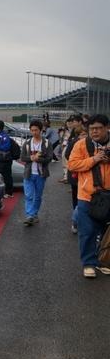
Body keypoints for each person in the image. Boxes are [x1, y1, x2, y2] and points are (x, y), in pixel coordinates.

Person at [68, 114, 110, 278]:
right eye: (92, 129)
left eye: (99, 128)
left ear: (107, 128)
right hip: (87, 195)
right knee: (87, 231)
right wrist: (94, 159)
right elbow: (72, 164)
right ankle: (89, 263)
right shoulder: (81, 145)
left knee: (106, 231)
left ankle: (104, 260)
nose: (95, 132)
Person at [19, 120, 52, 226]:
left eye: (36, 130)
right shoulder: (27, 143)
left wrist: (38, 159)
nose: (34, 132)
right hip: (28, 173)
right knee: (28, 195)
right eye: (32, 130)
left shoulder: (46, 143)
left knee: (38, 196)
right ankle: (30, 216)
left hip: (41, 174)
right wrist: (32, 158)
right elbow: (22, 157)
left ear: (41, 130)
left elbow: (49, 158)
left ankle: (34, 214)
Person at [0, 120, 14, 198]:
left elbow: (6, 147)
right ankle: (3, 192)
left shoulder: (4, 136)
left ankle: (9, 192)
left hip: (5, 160)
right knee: (1, 176)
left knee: (6, 176)